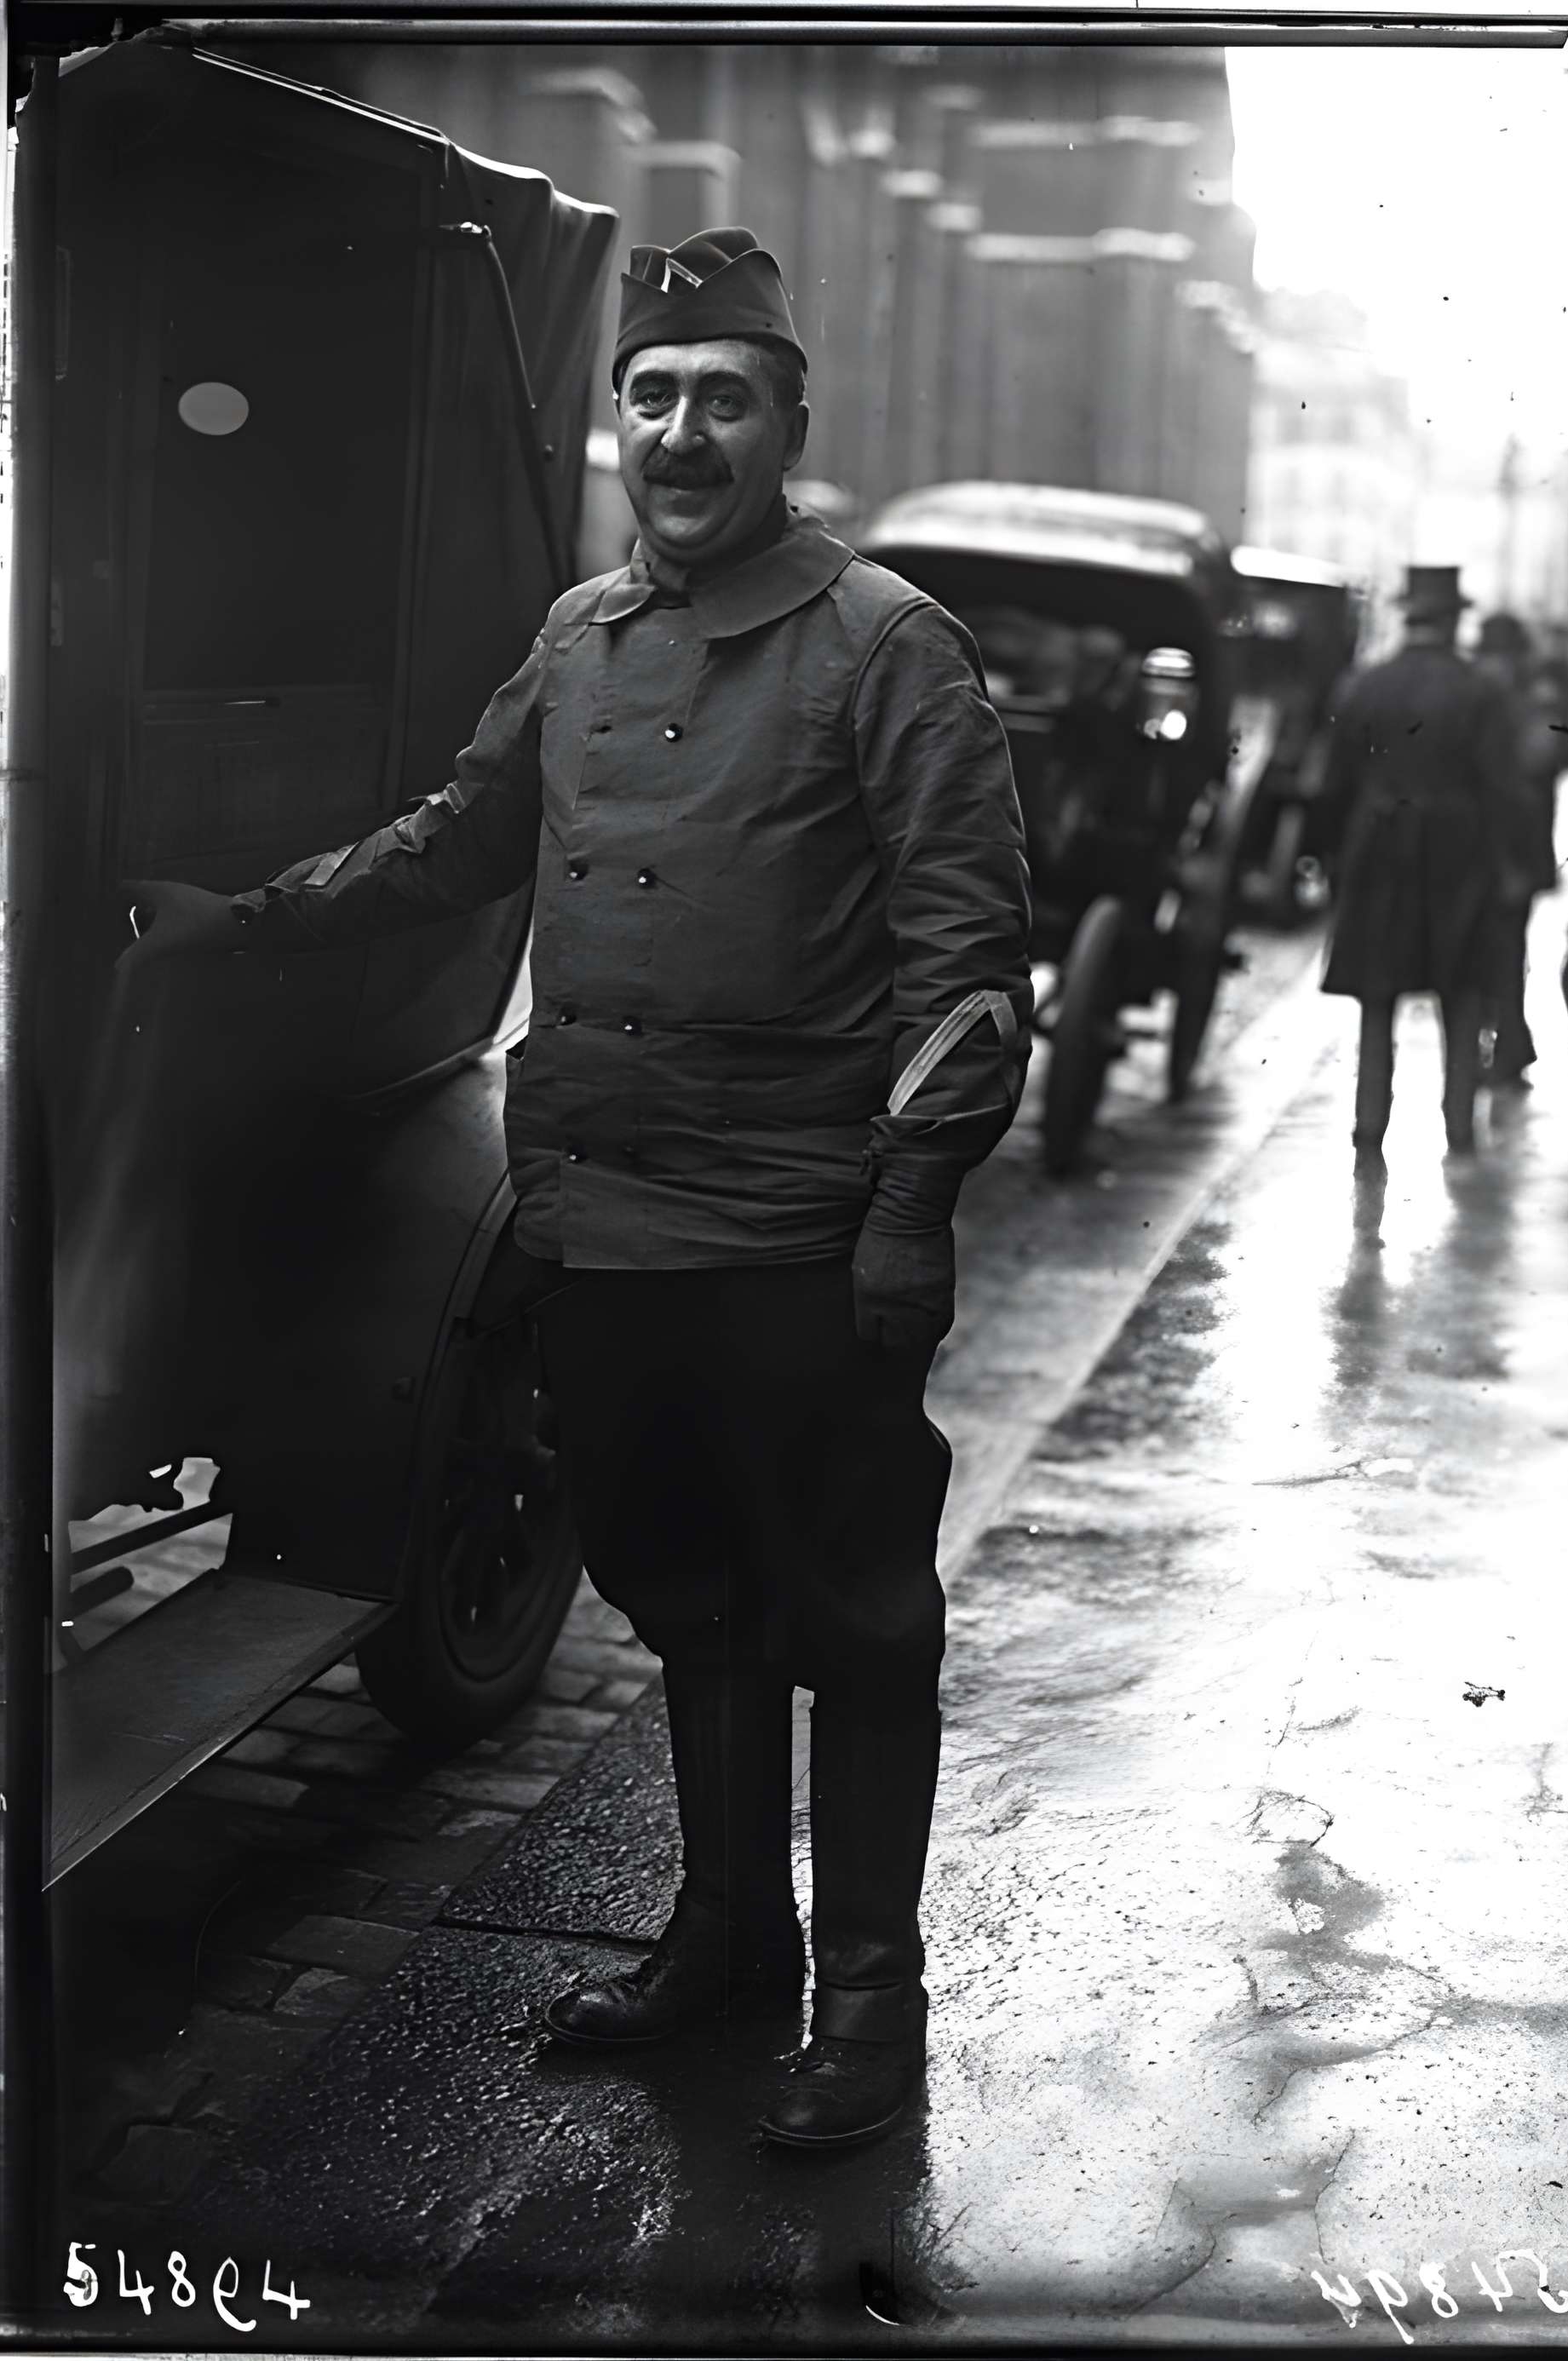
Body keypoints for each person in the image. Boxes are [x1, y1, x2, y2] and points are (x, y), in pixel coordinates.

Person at [118, 226, 1034, 2150]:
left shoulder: (885, 646)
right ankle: (725, 1946)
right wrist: (247, 923)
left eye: (723, 399)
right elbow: (461, 842)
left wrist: (900, 1221)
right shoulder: (574, 635)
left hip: (795, 1236)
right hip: (599, 1223)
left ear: (788, 422)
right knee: (684, 1594)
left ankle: (868, 2008)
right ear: (614, 425)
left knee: (852, 1617)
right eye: (651, 398)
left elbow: (967, 975)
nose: (682, 432)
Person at [1315, 565, 1521, 1156]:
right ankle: (1459, 1128)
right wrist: (1513, 866)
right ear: (1455, 619)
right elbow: (1504, 788)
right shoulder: (1482, 690)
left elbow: (1332, 783)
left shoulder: (1364, 684)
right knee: (1461, 993)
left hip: (1378, 845)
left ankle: (1369, 1126)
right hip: (1460, 852)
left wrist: (1328, 854)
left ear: (1408, 616)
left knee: (1378, 996)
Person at [1473, 611, 1568, 1088]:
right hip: (1504, 847)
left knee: (1504, 947)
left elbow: (1541, 760)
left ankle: (1509, 1046)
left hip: (1514, 848)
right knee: (1498, 949)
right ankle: (1507, 1043)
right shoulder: (1515, 698)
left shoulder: (1531, 700)